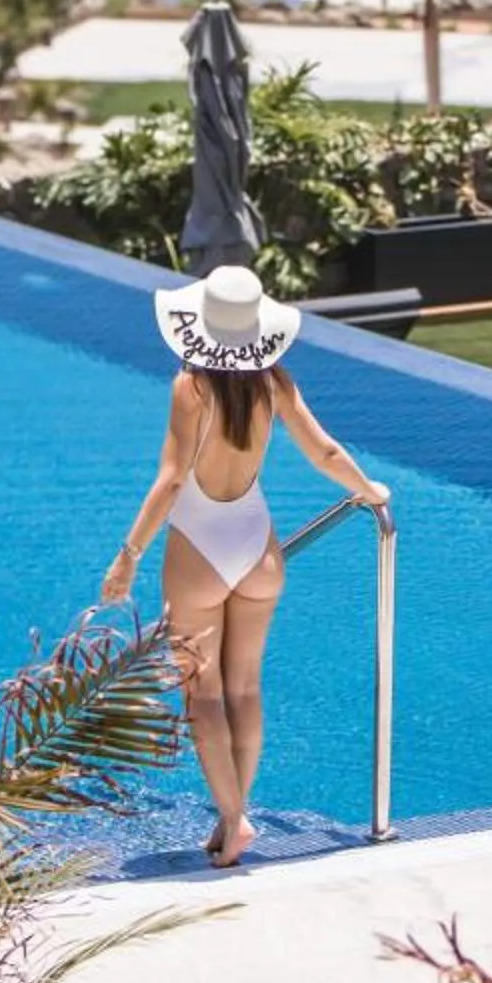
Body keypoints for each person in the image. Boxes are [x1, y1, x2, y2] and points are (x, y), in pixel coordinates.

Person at [101, 265, 387, 868]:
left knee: (201, 696)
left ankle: (233, 820)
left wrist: (127, 557)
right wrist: (368, 490)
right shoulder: (273, 382)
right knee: (245, 687)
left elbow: (173, 479)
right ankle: (236, 814)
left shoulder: (191, 388)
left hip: (199, 550)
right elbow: (324, 450)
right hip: (257, 548)